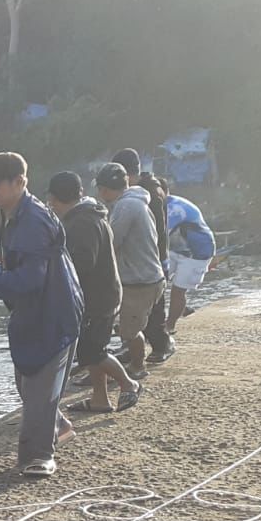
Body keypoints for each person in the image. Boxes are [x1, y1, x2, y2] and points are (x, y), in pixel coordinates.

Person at [0, 152, 84, 479]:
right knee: (27, 380)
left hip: (53, 310)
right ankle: (58, 427)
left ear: (20, 182)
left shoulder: (31, 219)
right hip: (34, 311)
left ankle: (39, 456)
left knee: (39, 388)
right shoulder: (14, 213)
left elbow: (30, 280)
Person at [46, 170, 141, 415]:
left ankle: (128, 384)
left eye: (52, 201)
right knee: (93, 349)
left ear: (56, 199)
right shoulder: (91, 214)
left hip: (97, 299)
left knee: (91, 351)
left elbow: (81, 263)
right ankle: (100, 399)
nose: (51, 206)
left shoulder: (82, 223)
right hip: (104, 295)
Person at [96, 163, 165, 381]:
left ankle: (137, 367)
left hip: (140, 281)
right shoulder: (135, 202)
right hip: (144, 276)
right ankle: (131, 363)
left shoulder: (127, 207)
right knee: (123, 325)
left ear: (105, 189)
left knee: (129, 330)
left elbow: (111, 242)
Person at [113, 148, 174, 364]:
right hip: (145, 257)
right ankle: (132, 348)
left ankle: (162, 345)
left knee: (153, 309)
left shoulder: (149, 194)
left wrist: (157, 257)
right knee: (136, 310)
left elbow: (157, 229)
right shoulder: (138, 193)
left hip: (153, 256)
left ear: (129, 174)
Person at [162, 182, 215, 330]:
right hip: (175, 248)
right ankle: (179, 309)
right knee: (157, 283)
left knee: (178, 290)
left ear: (165, 192)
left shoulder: (175, 208)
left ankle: (169, 326)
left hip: (197, 251)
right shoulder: (152, 205)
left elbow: (159, 235)